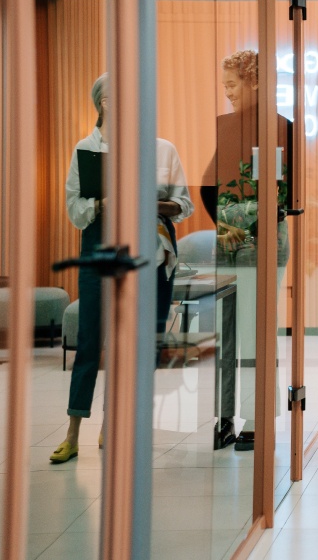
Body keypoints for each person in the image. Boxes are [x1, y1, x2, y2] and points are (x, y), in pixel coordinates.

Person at [51, 73, 193, 464]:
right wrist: (103, 204)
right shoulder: (86, 149)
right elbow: (73, 208)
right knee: (91, 341)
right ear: (102, 102)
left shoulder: (161, 149)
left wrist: (148, 201)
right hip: (100, 249)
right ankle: (72, 431)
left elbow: (185, 205)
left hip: (148, 251)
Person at [201, 50, 293, 451]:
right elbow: (208, 185)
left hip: (264, 240)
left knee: (257, 333)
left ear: (254, 82)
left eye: (233, 86)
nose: (228, 94)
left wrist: (237, 220)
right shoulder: (227, 127)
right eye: (224, 87)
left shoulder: (279, 128)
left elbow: (281, 197)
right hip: (229, 240)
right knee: (227, 335)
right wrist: (222, 226)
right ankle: (223, 418)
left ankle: (257, 420)